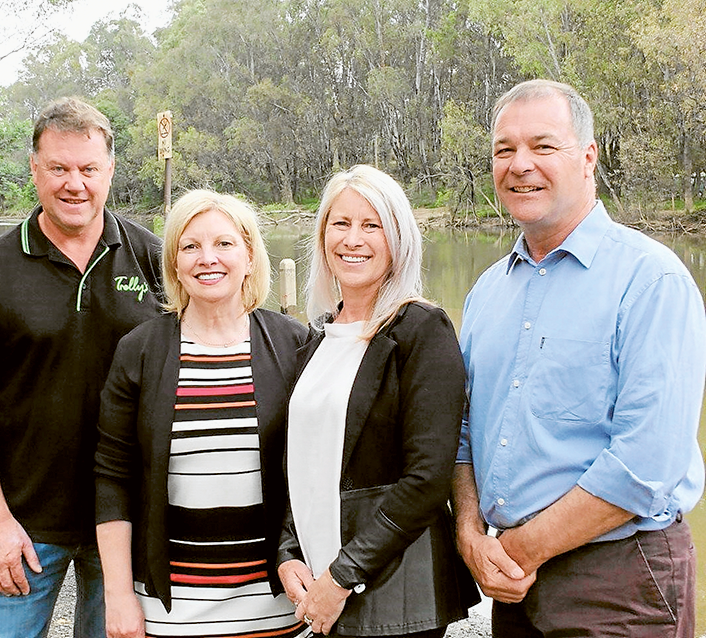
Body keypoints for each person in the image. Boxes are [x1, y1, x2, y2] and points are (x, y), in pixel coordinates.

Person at [453, 79, 706, 637]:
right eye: (504, 149)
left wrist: (518, 548)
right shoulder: (487, 293)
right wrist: (469, 533)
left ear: (588, 157)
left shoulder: (651, 280)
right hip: (513, 585)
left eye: (543, 146)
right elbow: (465, 430)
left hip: (621, 581)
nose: (520, 165)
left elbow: (645, 464)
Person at [0, 97, 163, 638]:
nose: (74, 184)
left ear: (110, 171)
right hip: (25, 525)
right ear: (35, 168)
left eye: (88, 169)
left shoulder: (151, 256)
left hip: (126, 524)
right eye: (59, 168)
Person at [94, 189, 309, 638]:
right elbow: (112, 477)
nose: (207, 258)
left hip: (276, 606)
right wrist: (118, 596)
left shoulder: (295, 345)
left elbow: (320, 472)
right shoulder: (140, 350)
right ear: (174, 263)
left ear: (250, 256)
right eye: (190, 246)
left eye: (224, 244)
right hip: (170, 610)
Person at [277, 164, 479, 637]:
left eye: (372, 226)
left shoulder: (422, 330)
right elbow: (300, 458)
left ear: (398, 239)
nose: (353, 239)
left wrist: (344, 574)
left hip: (394, 588)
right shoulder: (318, 337)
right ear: (323, 235)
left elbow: (428, 478)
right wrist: (288, 551)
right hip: (319, 576)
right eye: (341, 224)